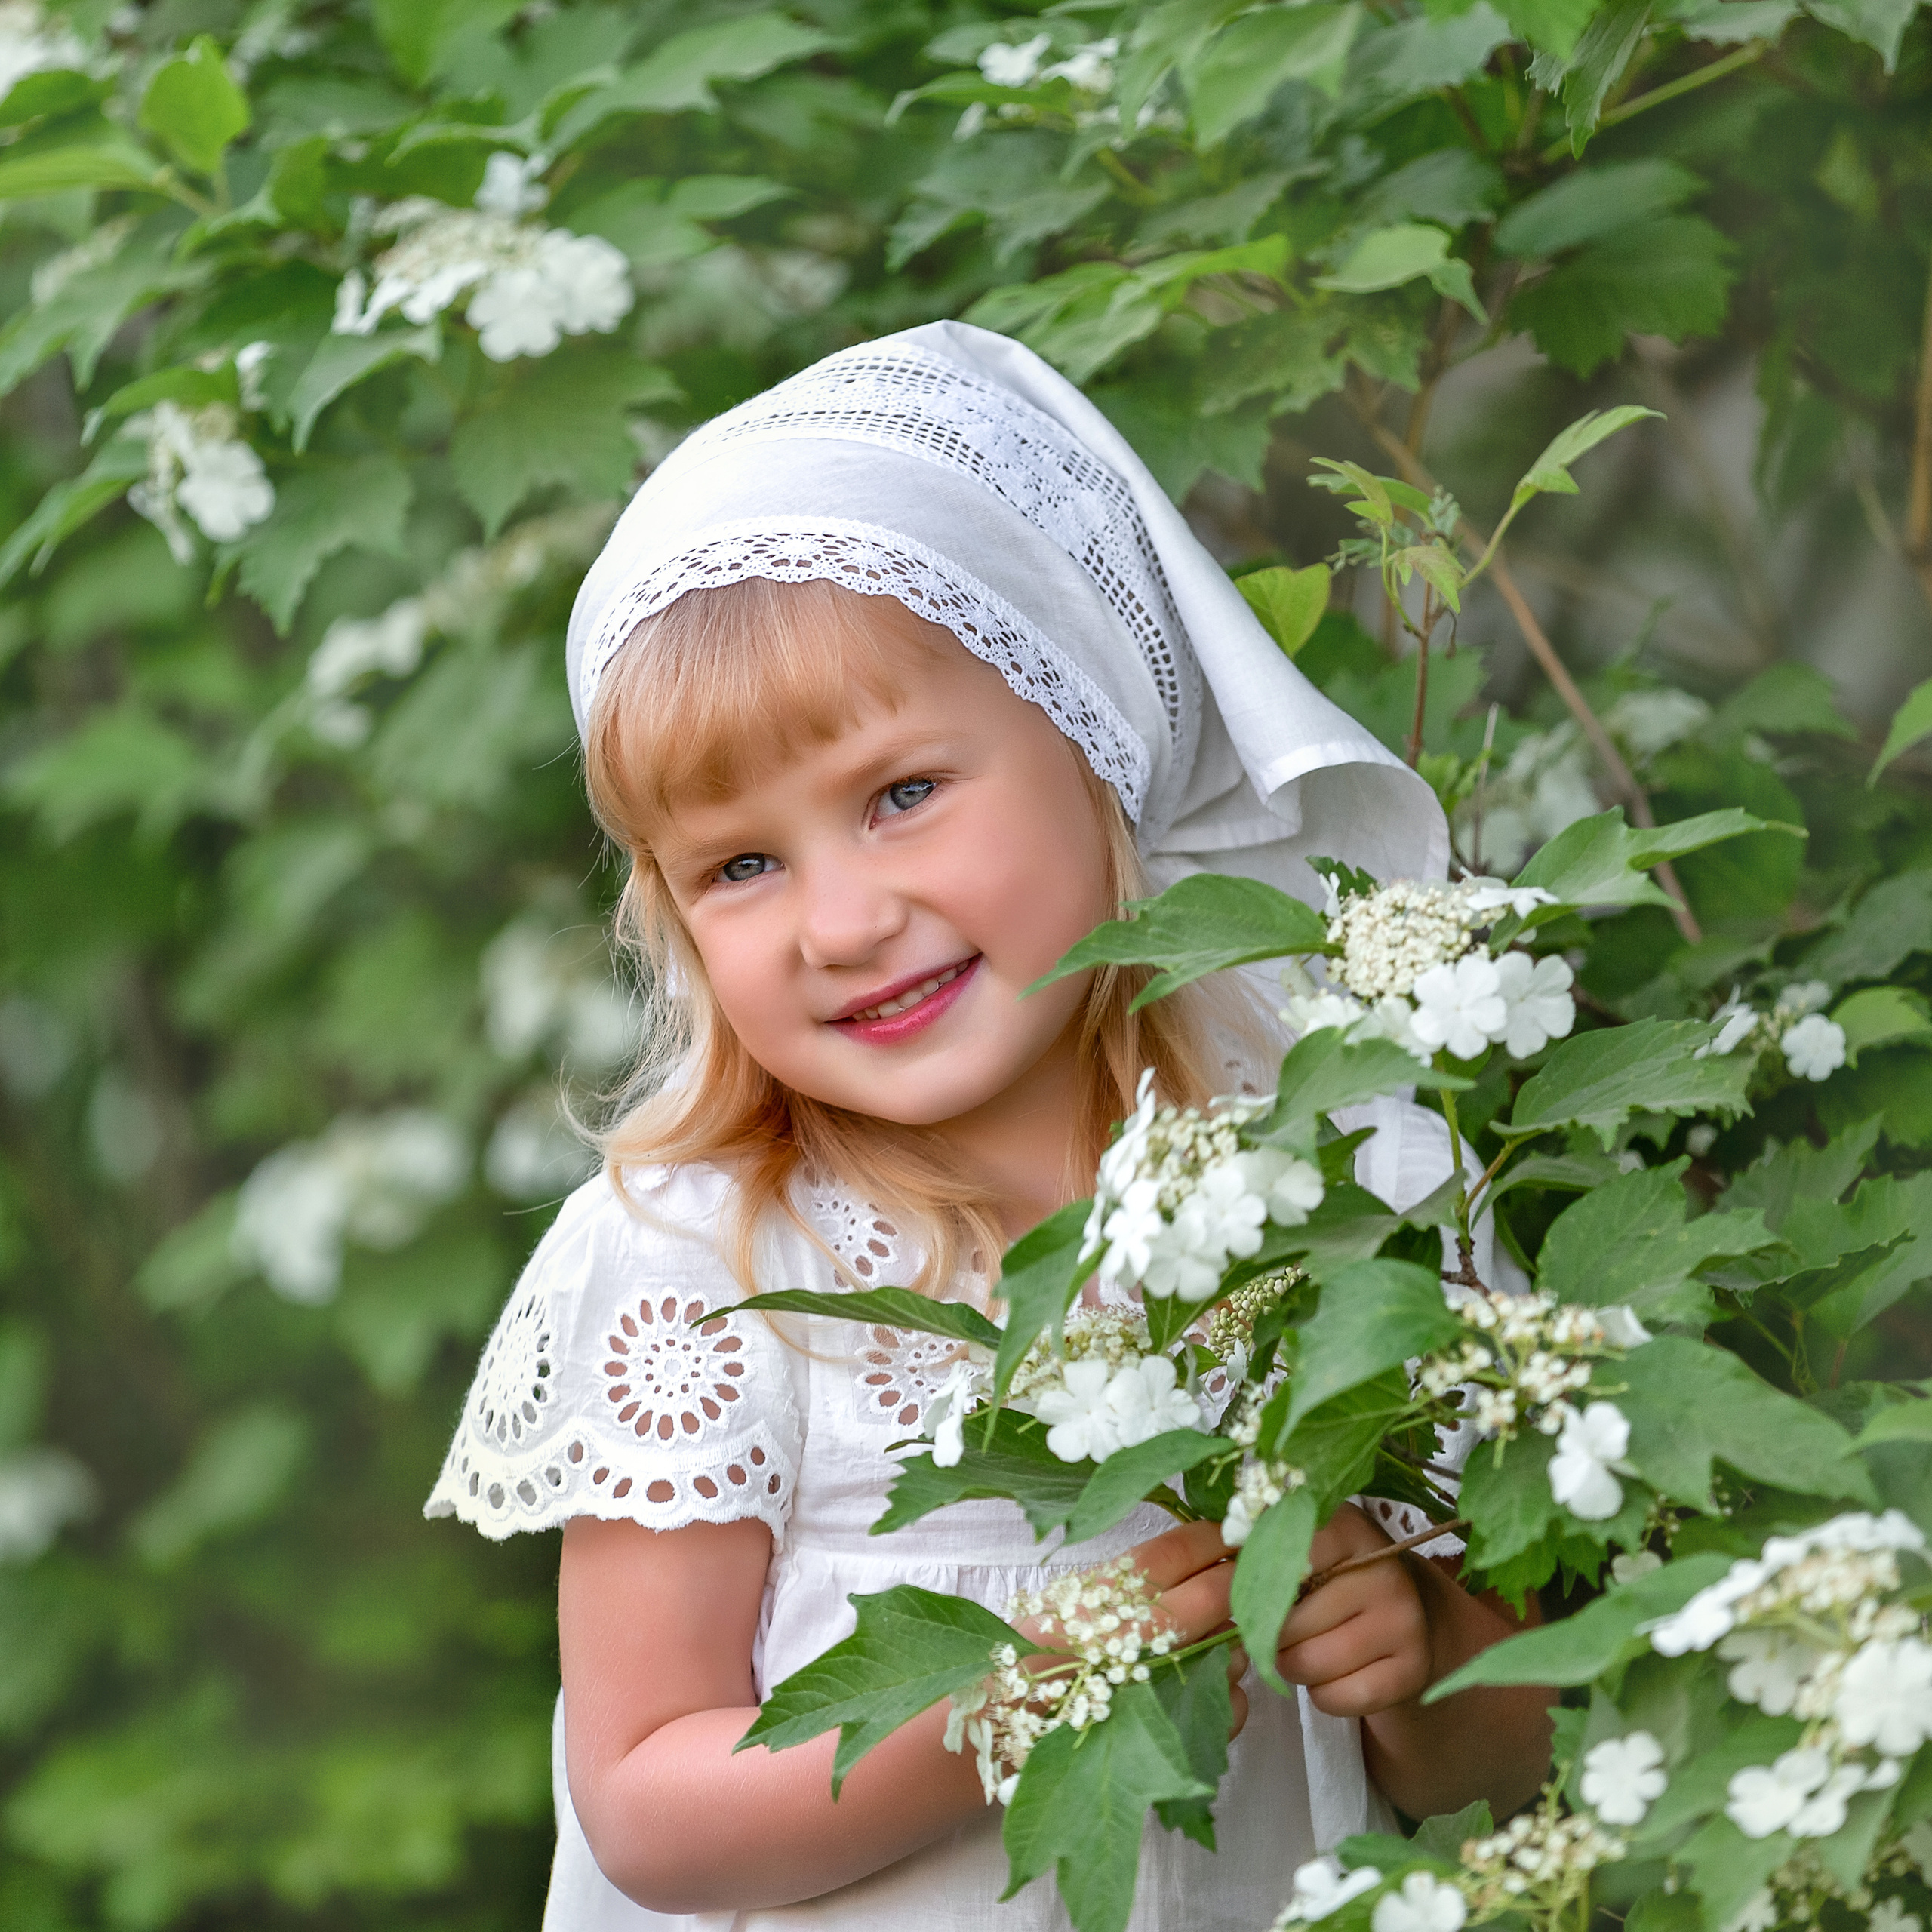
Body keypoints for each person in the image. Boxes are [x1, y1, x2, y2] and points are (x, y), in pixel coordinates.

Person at [425, 322, 1552, 1931]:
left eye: (900, 796)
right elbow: (649, 1808)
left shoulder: (1350, 1165)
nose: (840, 922)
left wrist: (1421, 1658)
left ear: (1094, 739)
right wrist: (1012, 1697)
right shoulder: (712, 1254)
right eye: (740, 866)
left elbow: (1525, 1755)